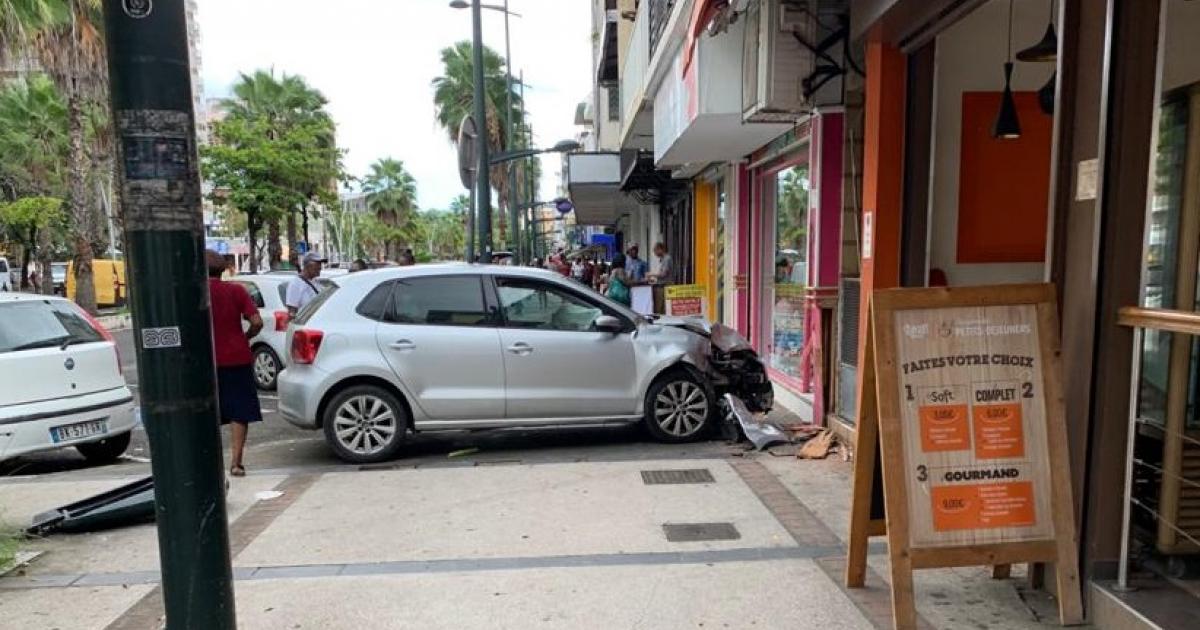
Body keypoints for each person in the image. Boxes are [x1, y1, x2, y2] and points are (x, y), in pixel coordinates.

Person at [206, 250, 263, 478]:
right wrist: (245, 337)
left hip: (207, 361)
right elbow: (257, 322)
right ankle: (237, 462)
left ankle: (210, 461)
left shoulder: (194, 293)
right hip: (237, 357)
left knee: (208, 412)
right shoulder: (236, 290)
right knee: (239, 411)